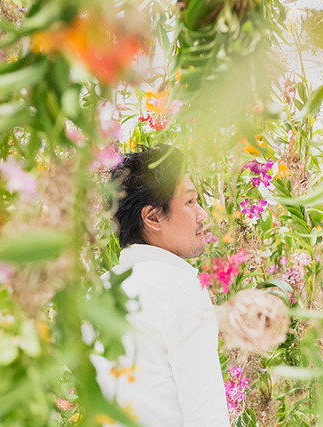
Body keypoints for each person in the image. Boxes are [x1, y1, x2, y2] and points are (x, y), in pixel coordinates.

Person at [91, 145, 230, 427]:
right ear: (153, 217)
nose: (202, 215)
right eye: (190, 202)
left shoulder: (100, 291)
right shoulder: (180, 289)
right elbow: (206, 415)